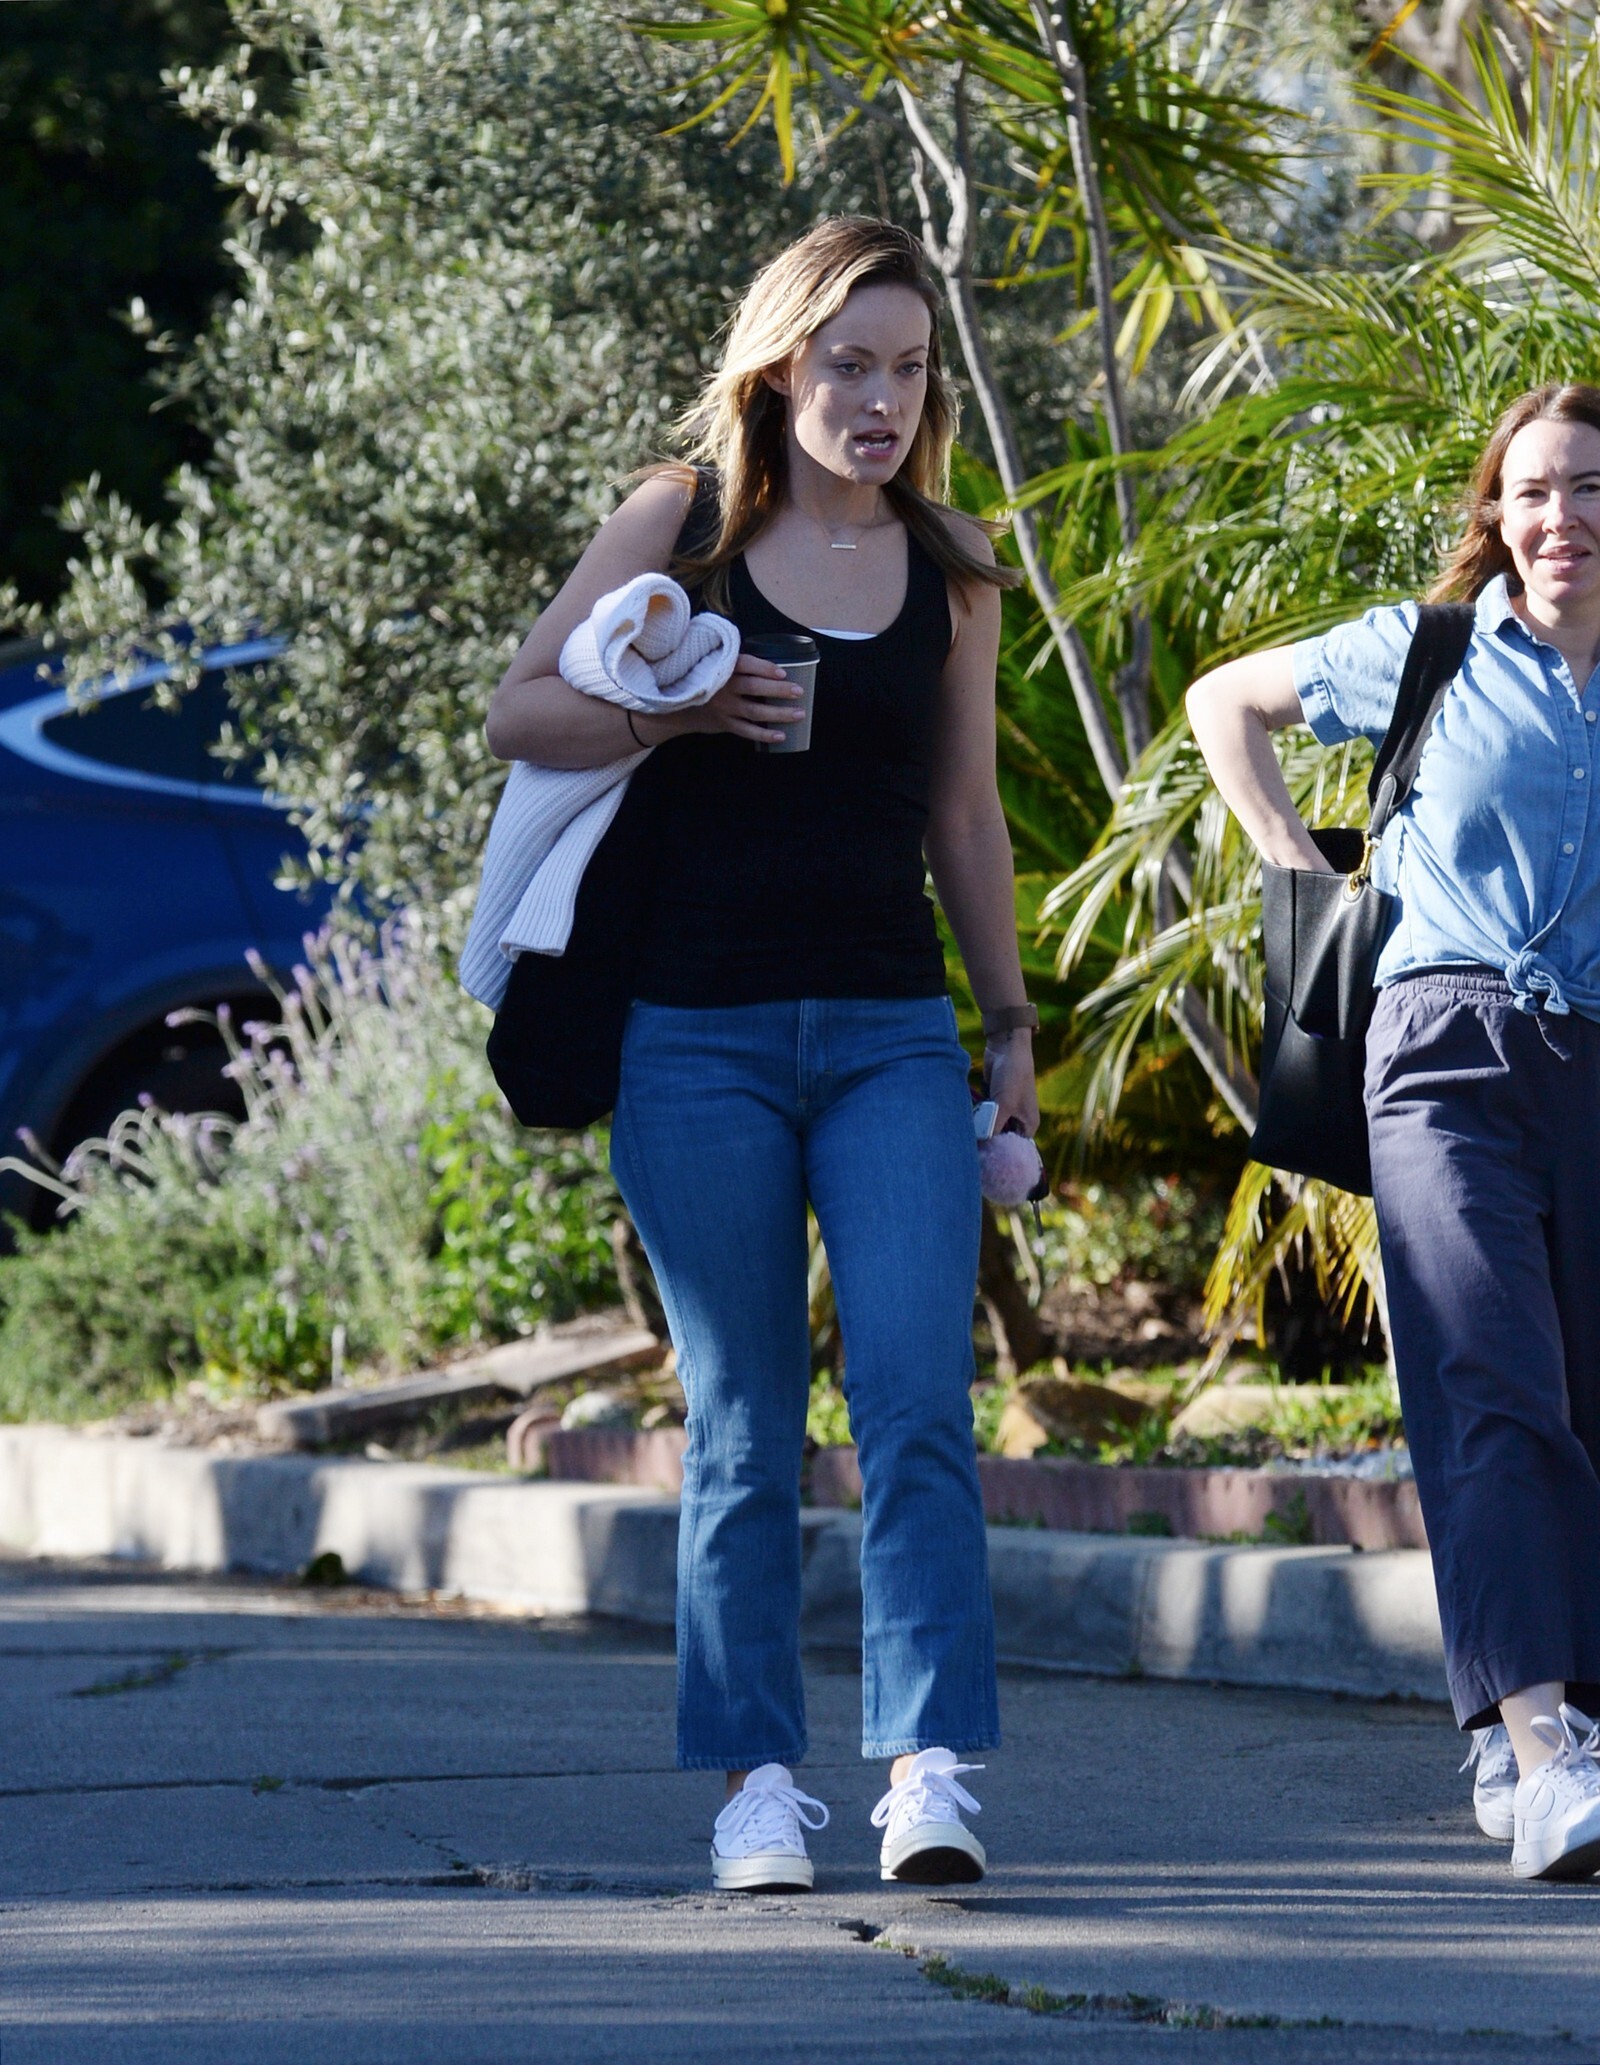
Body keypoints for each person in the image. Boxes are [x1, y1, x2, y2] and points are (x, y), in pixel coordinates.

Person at [484, 217, 1038, 1892]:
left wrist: (1011, 1026)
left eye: (909, 369)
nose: (882, 399)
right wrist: (679, 714)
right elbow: (520, 709)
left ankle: (929, 1771)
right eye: (849, 365)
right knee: (741, 1420)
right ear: (781, 368)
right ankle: (754, 1788)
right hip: (692, 1037)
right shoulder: (684, 524)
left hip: (889, 1035)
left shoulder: (951, 562)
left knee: (918, 1401)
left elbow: (964, 815)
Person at [1187, 382, 1600, 1882]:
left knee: (1580, 1394)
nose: (1561, 517)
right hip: (1439, 1044)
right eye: (1534, 490)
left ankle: (1524, 1719)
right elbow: (1223, 703)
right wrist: (1299, 863)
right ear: (1498, 511)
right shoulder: (1431, 649)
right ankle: (1546, 1751)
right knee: (1489, 1375)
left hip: (1594, 1053)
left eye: (1590, 487)